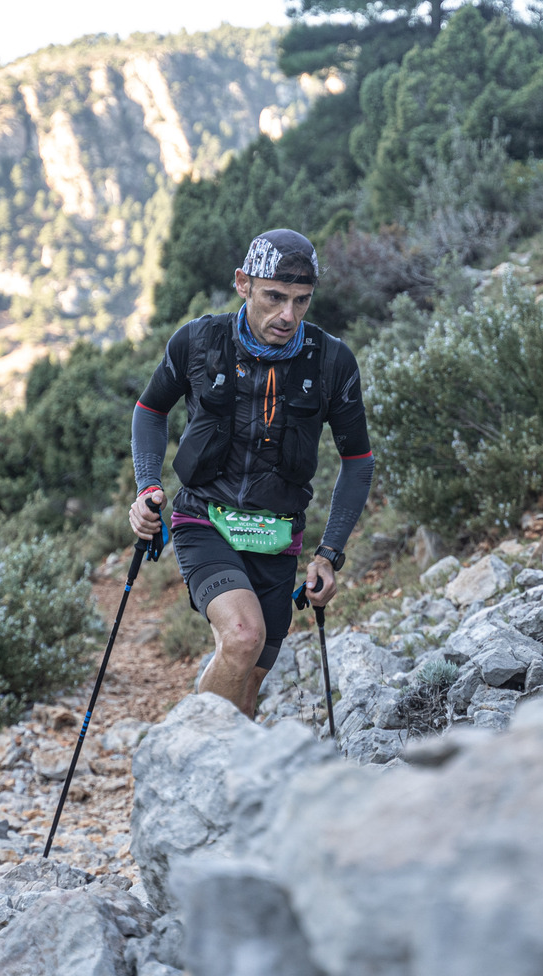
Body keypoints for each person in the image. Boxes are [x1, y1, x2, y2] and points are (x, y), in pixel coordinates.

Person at [127, 229, 373, 718]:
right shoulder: (199, 341)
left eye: (301, 300)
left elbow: (358, 461)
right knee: (242, 637)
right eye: (274, 297)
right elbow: (150, 410)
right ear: (243, 283)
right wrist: (148, 486)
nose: (288, 315)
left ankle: (223, 762)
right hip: (204, 519)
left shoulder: (331, 362)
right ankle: (186, 750)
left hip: (277, 536)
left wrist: (329, 553)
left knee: (250, 680)